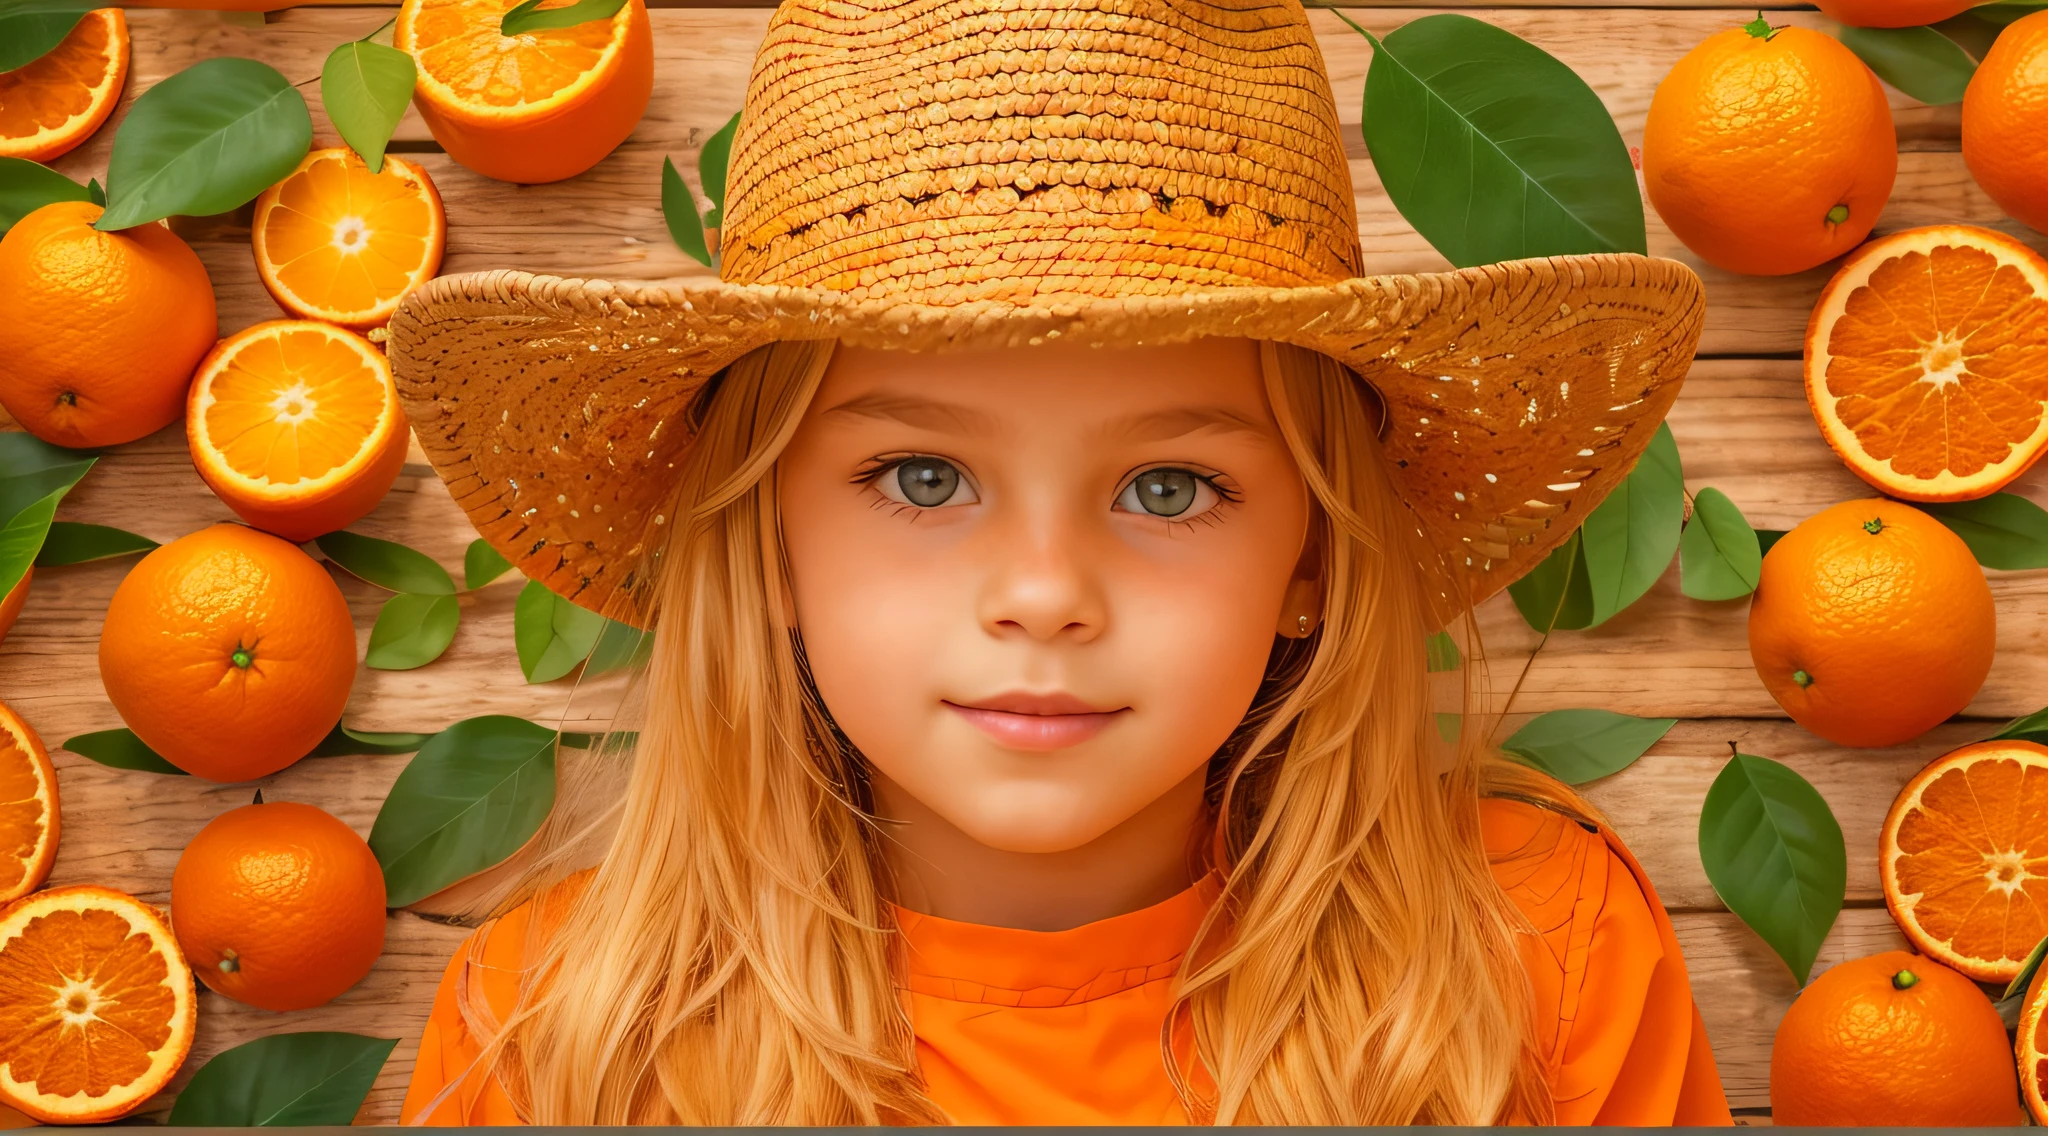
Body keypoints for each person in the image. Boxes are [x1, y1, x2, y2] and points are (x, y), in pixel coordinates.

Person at [388, 0, 1729, 1123]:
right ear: (768, 544)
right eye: (923, 478)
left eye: (1168, 487)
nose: (1042, 596)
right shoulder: (556, 1033)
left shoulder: (1536, 957)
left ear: (1314, 552)